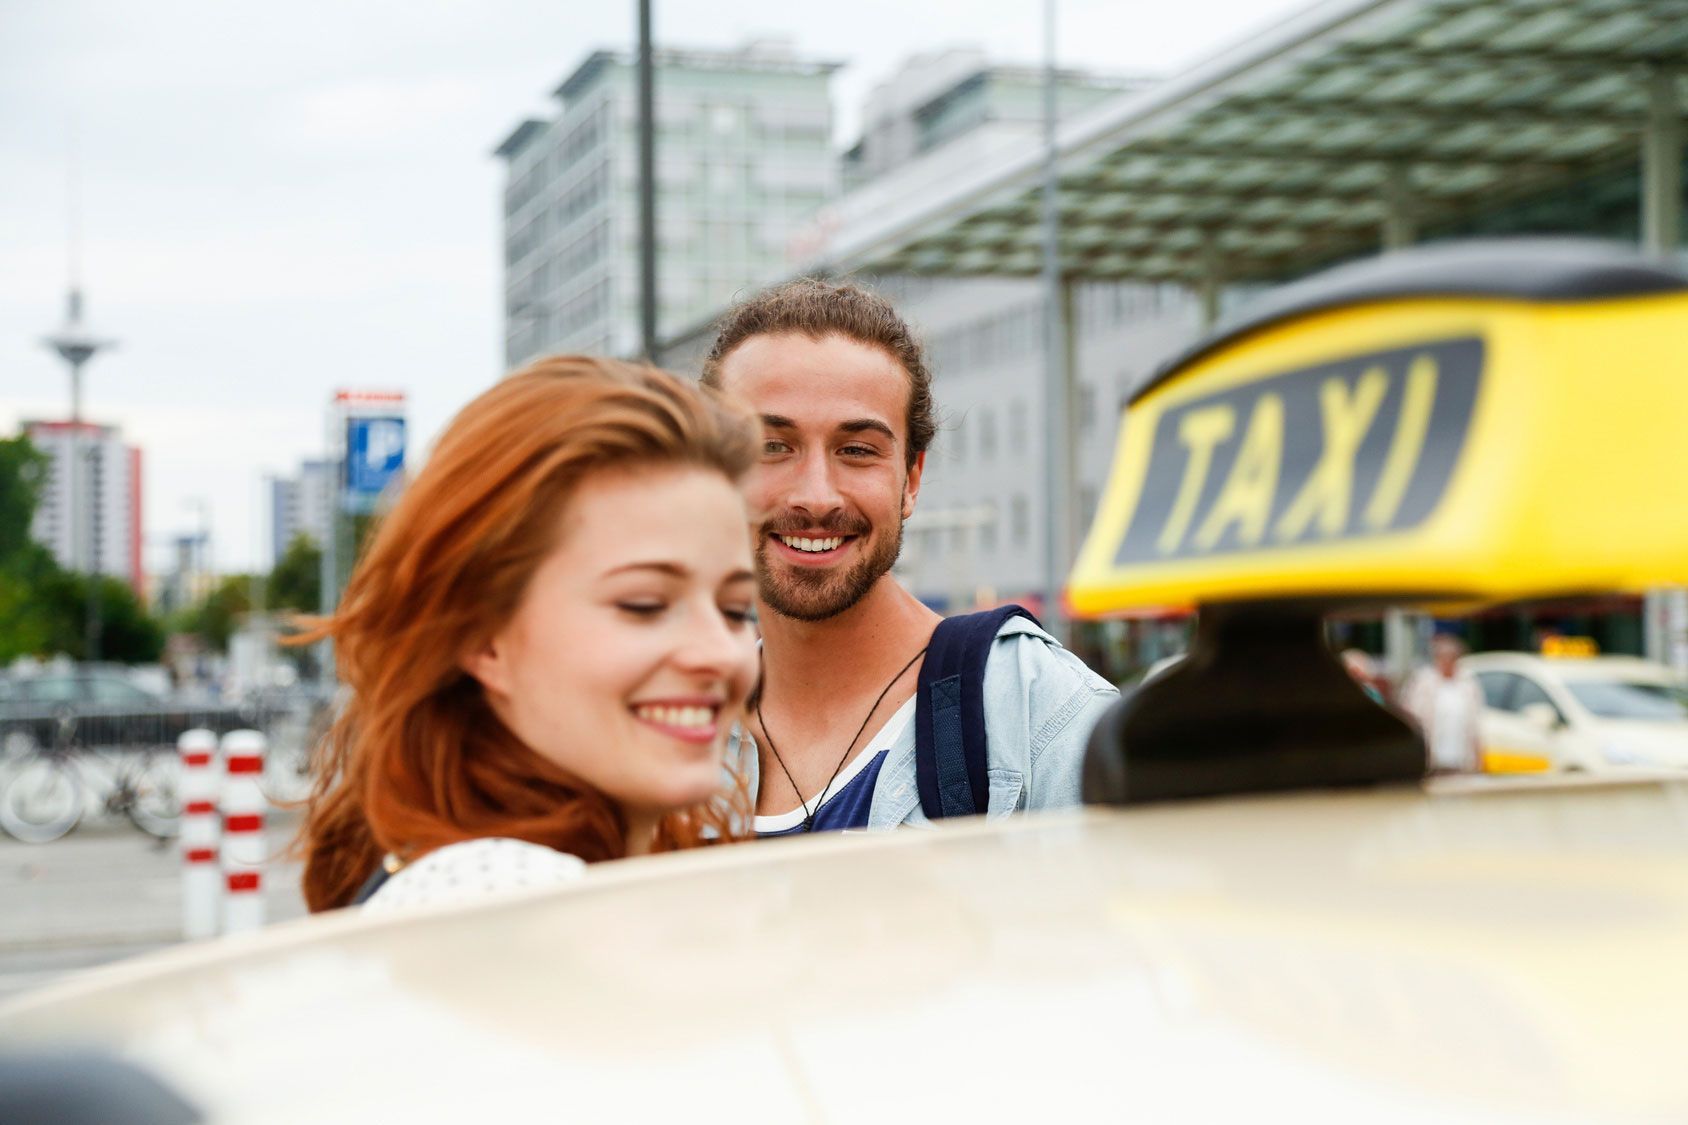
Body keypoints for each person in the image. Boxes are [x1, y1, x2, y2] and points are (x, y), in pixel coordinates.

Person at [296, 357, 762, 912]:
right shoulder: (516, 900)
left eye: (737, 610)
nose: (719, 653)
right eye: (645, 605)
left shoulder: (469, 876)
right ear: (482, 636)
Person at [700, 278, 1118, 835]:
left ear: (912, 478)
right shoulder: (675, 729)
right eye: (771, 447)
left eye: (856, 451)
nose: (817, 496)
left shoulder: (1042, 715)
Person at [1401, 633, 1484, 774]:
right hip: (1432, 759)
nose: (1447, 661)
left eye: (1451, 657)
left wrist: (1478, 756)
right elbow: (1411, 715)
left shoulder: (1468, 683)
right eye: (1443, 656)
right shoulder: (1423, 682)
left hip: (1461, 758)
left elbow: (1476, 723)